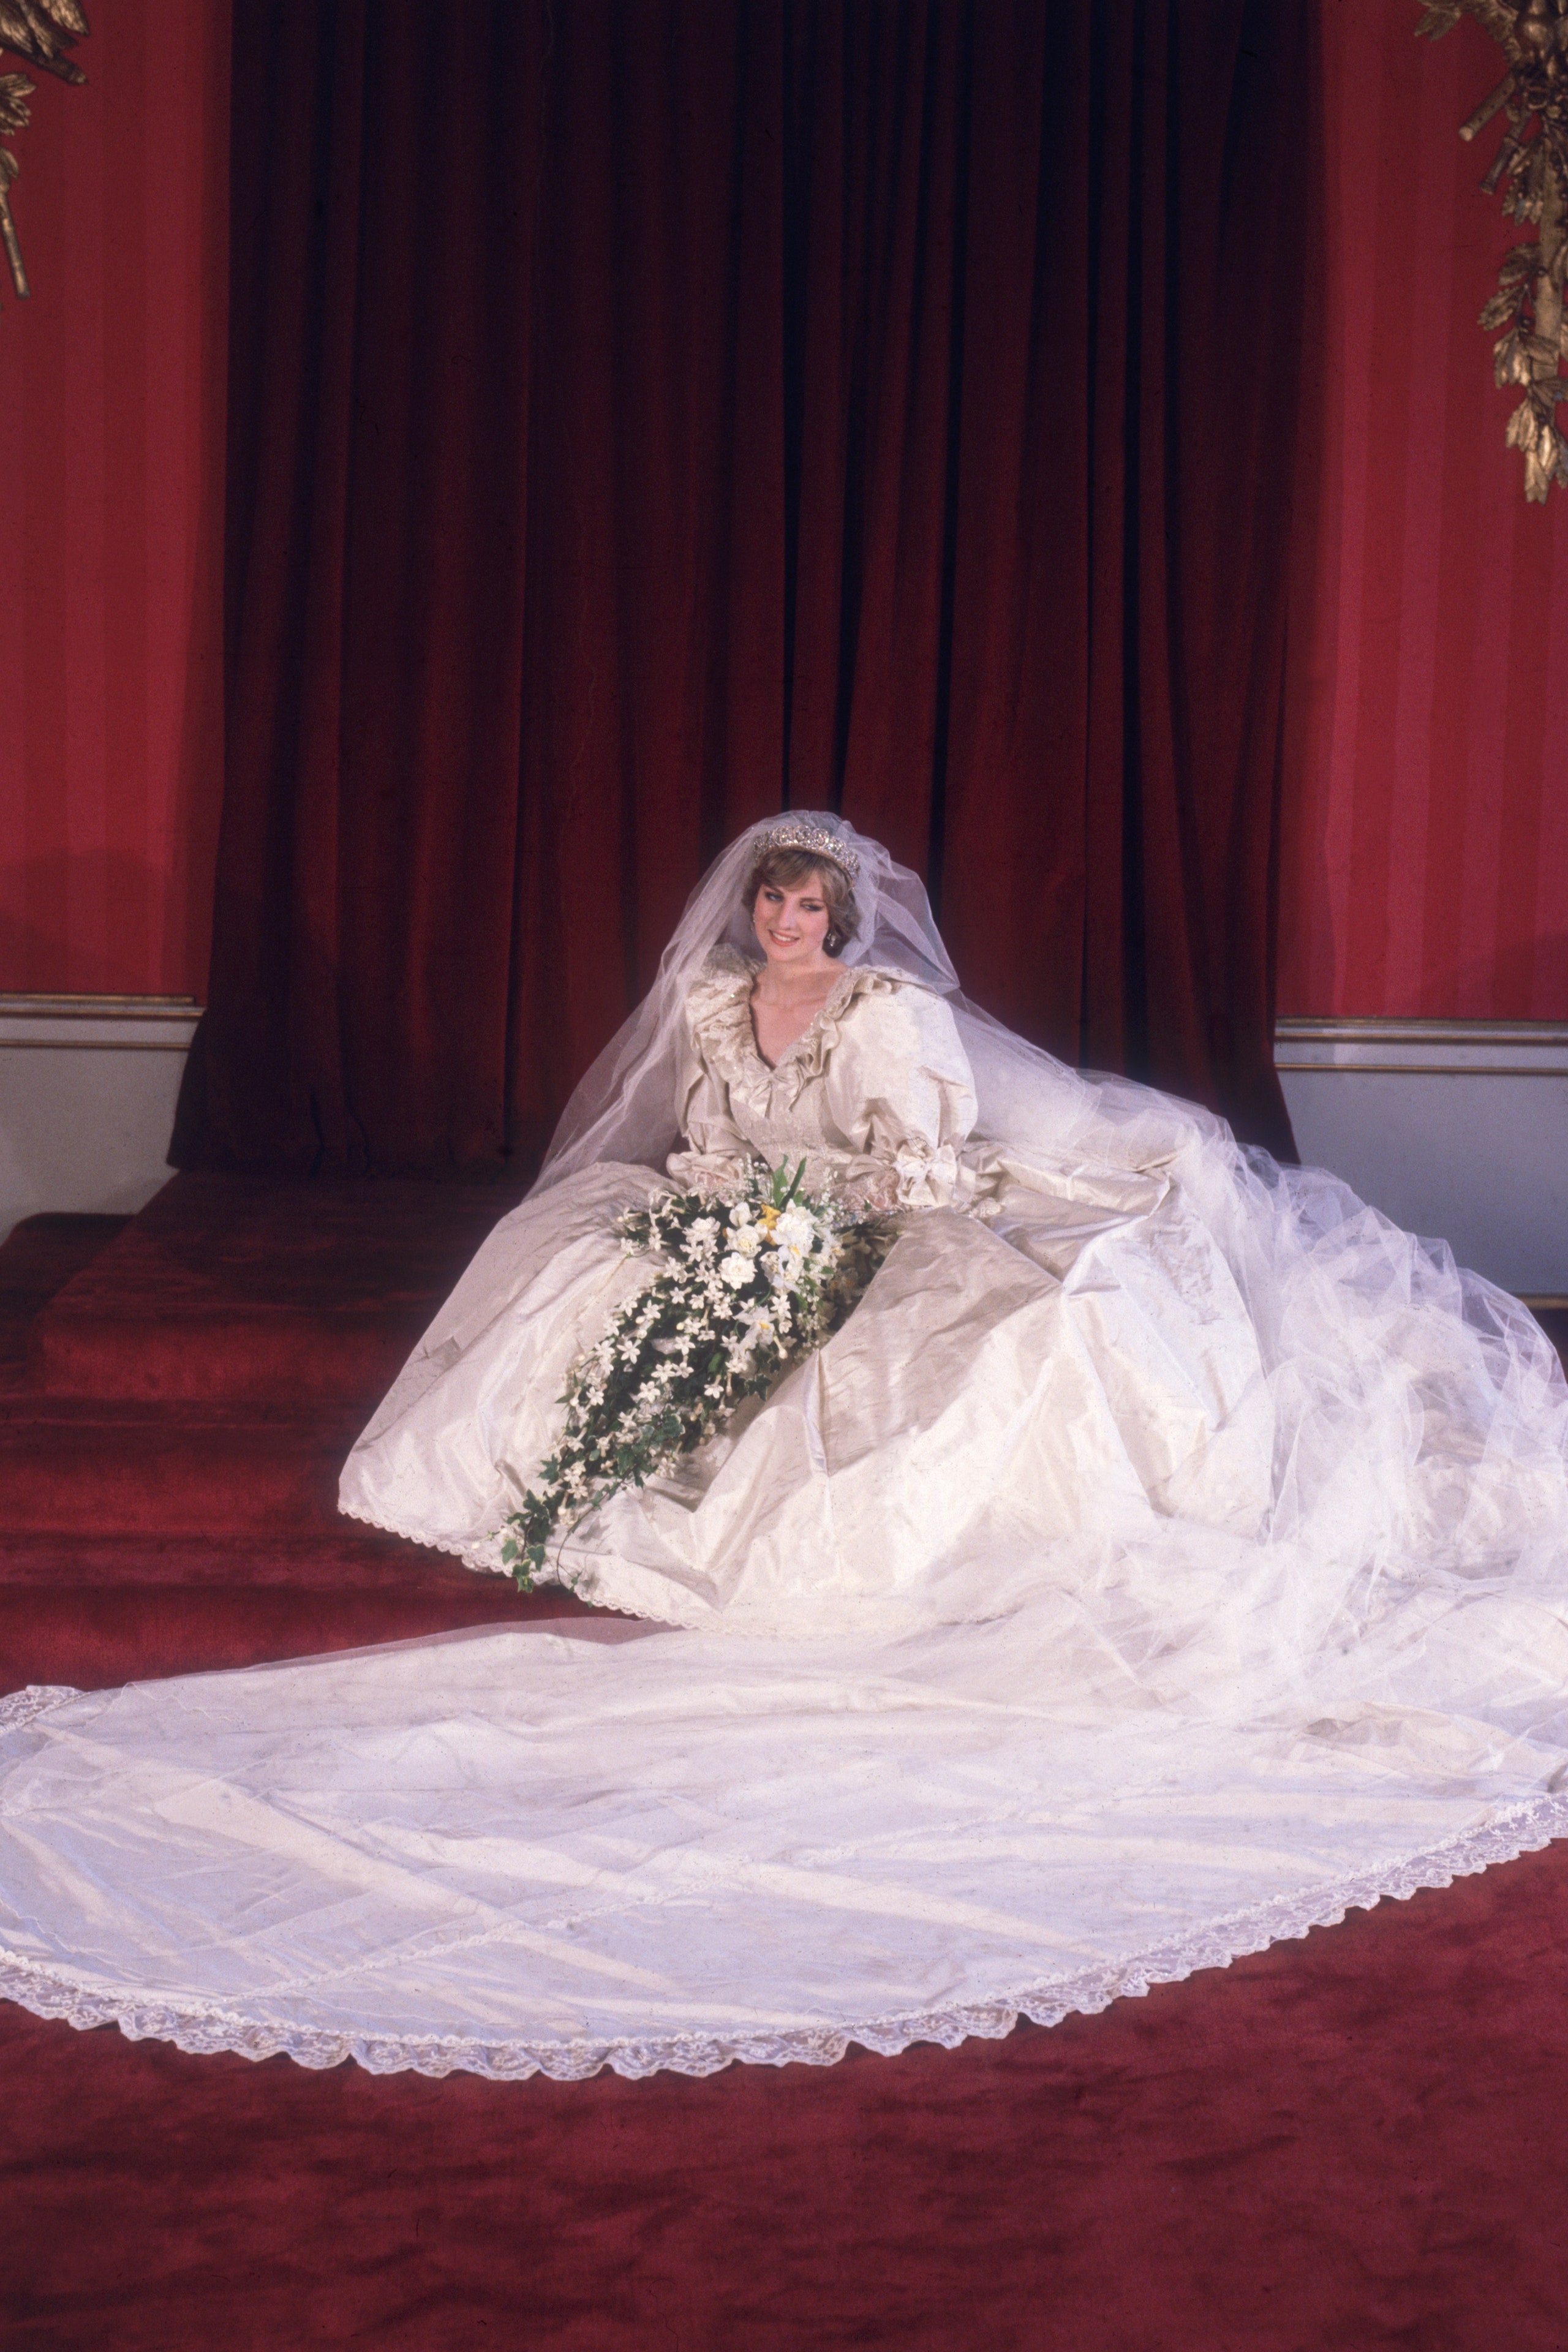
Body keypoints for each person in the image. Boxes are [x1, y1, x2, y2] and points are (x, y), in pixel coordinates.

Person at [3, 813, 1568, 2083]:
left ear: (844, 920)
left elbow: (922, 1163)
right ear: (749, 916)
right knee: (581, 1268)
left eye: (810, 909)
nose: (787, 930)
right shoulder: (707, 1010)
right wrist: (722, 1220)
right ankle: (559, 1485)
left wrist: (806, 1229)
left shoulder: (889, 1020)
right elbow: (706, 1139)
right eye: (771, 908)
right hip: (752, 1219)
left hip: (887, 1217)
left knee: (961, 1351)